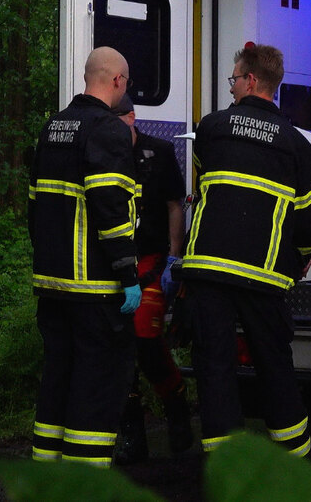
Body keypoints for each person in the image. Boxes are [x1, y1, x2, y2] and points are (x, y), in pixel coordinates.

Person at [180, 44, 311, 457]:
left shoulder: (211, 128)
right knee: (274, 365)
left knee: (215, 367)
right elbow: (307, 220)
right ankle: (295, 458)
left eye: (234, 79)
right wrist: (300, 259)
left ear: (251, 81)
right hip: (263, 276)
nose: (232, 87)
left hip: (208, 273)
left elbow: (206, 179)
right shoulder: (297, 146)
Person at [28, 46, 141, 468]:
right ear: (116, 81)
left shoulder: (52, 127)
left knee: (57, 380)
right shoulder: (107, 130)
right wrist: (127, 272)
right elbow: (112, 210)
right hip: (96, 291)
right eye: (125, 83)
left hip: (52, 285)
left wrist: (47, 263)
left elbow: (34, 208)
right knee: (96, 388)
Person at [111, 94, 194, 464]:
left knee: (146, 339)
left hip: (152, 261)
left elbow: (175, 205)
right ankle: (132, 433)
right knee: (118, 347)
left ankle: (177, 406)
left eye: (118, 121)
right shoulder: (103, 153)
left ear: (132, 117)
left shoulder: (159, 152)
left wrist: (174, 259)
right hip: (113, 264)